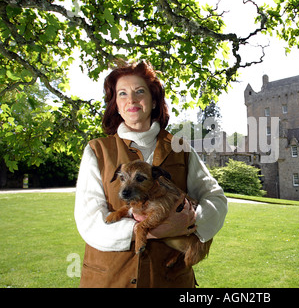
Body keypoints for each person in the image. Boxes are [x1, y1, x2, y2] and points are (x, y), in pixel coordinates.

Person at [74, 61, 227, 288]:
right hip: (110, 279)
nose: (132, 100)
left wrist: (188, 224)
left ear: (154, 100)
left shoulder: (181, 148)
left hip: (169, 279)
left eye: (139, 92)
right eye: (122, 94)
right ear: (115, 104)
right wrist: (149, 231)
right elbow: (89, 221)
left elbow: (215, 198)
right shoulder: (97, 150)